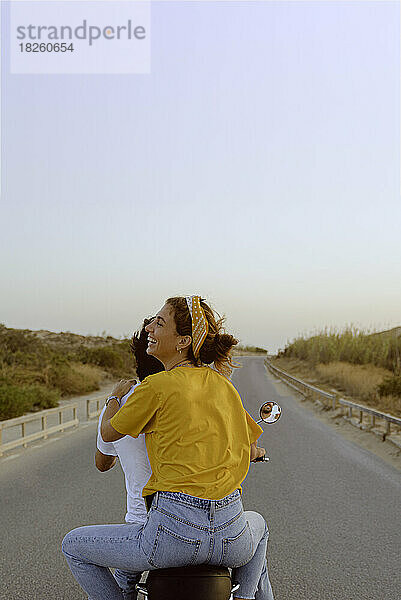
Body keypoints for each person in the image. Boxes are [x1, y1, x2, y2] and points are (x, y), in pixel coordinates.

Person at [62, 296, 274, 600]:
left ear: (183, 341)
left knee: (73, 546)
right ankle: (243, 597)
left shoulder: (156, 386)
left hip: (173, 536)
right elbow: (250, 443)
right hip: (231, 535)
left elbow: (109, 433)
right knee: (260, 526)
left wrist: (111, 400)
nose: (149, 326)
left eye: (158, 323)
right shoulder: (224, 386)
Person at [95, 318, 164, 599]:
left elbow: (103, 463)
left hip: (140, 522)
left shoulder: (119, 406)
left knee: (121, 581)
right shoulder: (185, 398)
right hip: (189, 518)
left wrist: (113, 399)